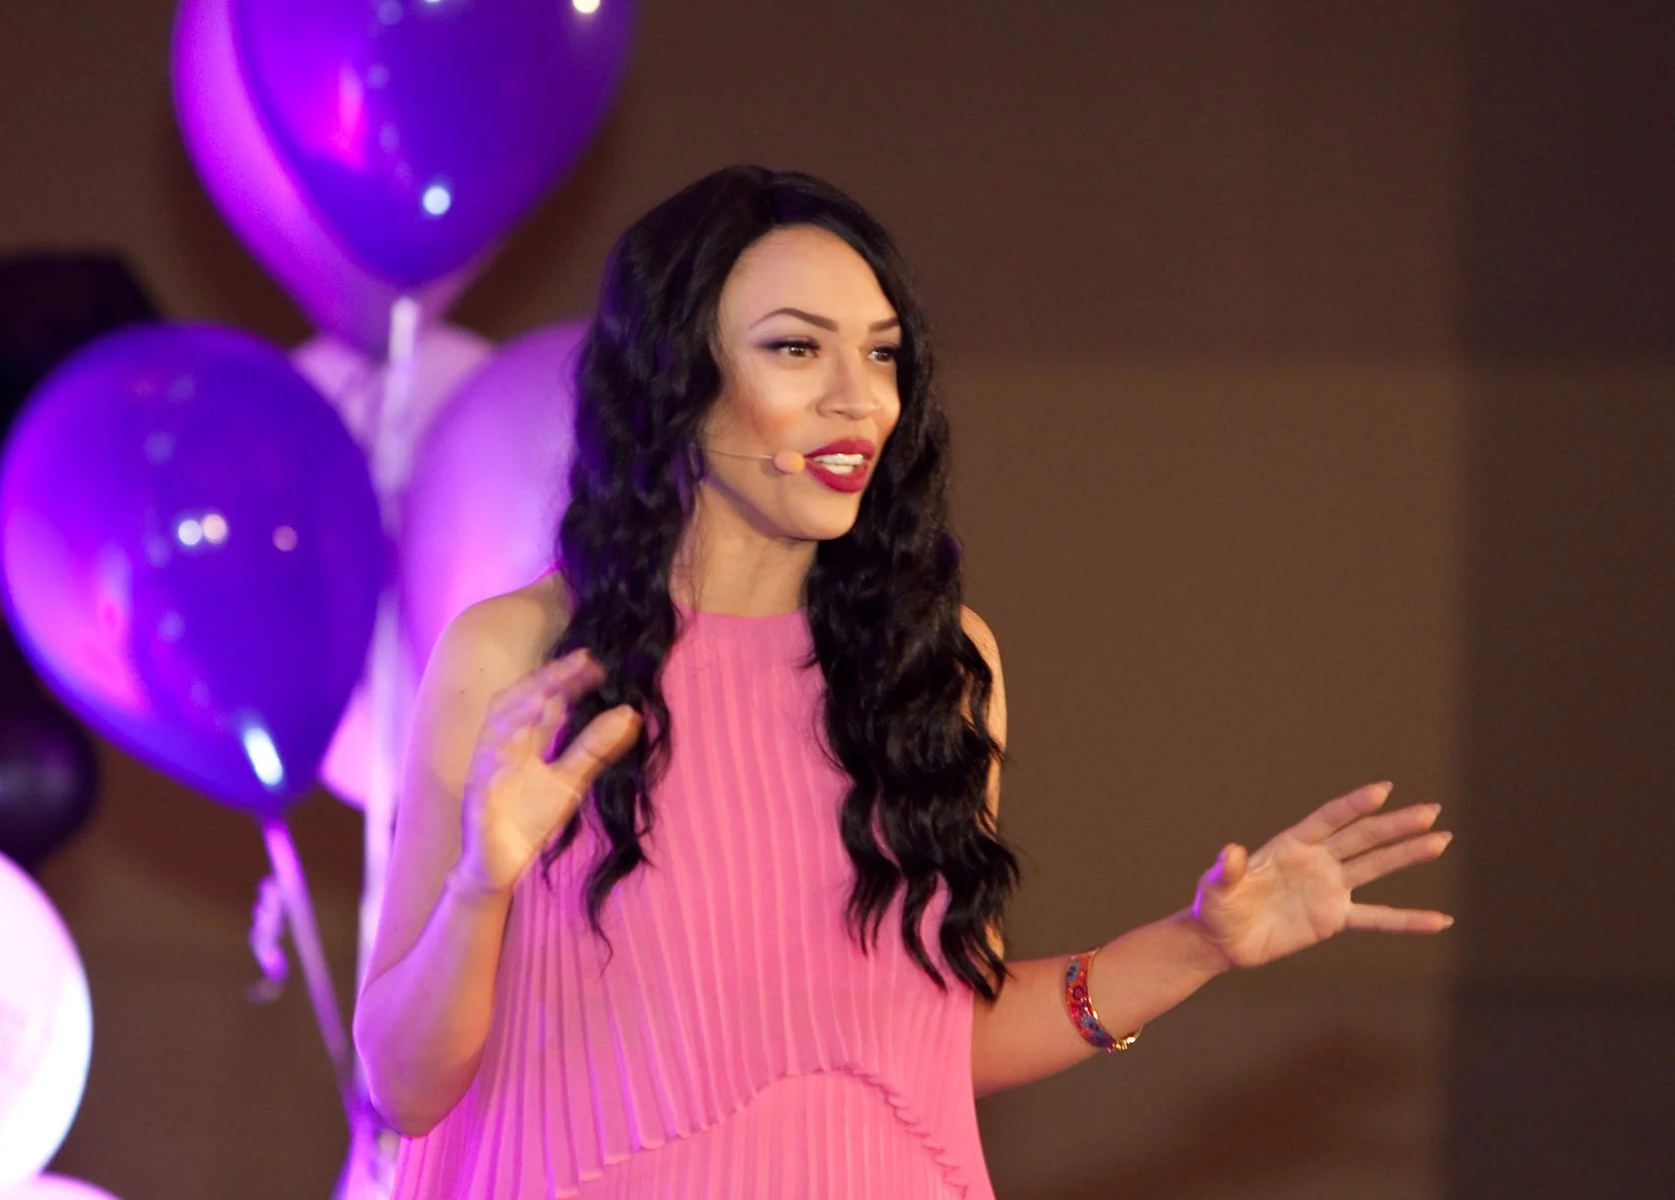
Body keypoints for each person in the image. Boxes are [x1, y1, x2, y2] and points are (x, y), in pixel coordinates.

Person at [352, 166, 1454, 1199]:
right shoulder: (519, 655)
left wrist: (1196, 946)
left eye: (883, 355)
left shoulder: (937, 664)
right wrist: (479, 889)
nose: (860, 400)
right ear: (676, 380)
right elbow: (404, 1088)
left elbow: (933, 1040)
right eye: (797, 349)